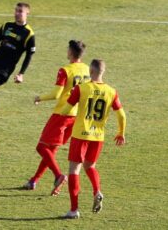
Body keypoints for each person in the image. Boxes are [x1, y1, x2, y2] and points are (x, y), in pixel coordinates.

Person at [63, 59, 127, 219]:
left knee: (74, 170)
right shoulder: (112, 91)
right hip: (98, 136)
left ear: (90, 72)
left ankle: (73, 209)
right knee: (90, 166)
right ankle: (97, 190)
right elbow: (121, 114)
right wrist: (121, 133)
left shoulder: (82, 88)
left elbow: (65, 110)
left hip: (80, 135)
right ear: (102, 72)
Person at [23, 40, 89, 195]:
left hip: (62, 114)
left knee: (42, 147)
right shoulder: (86, 69)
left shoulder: (65, 70)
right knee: (51, 150)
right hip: (77, 116)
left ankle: (59, 175)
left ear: (71, 52)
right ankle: (34, 180)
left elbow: (56, 94)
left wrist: (39, 97)